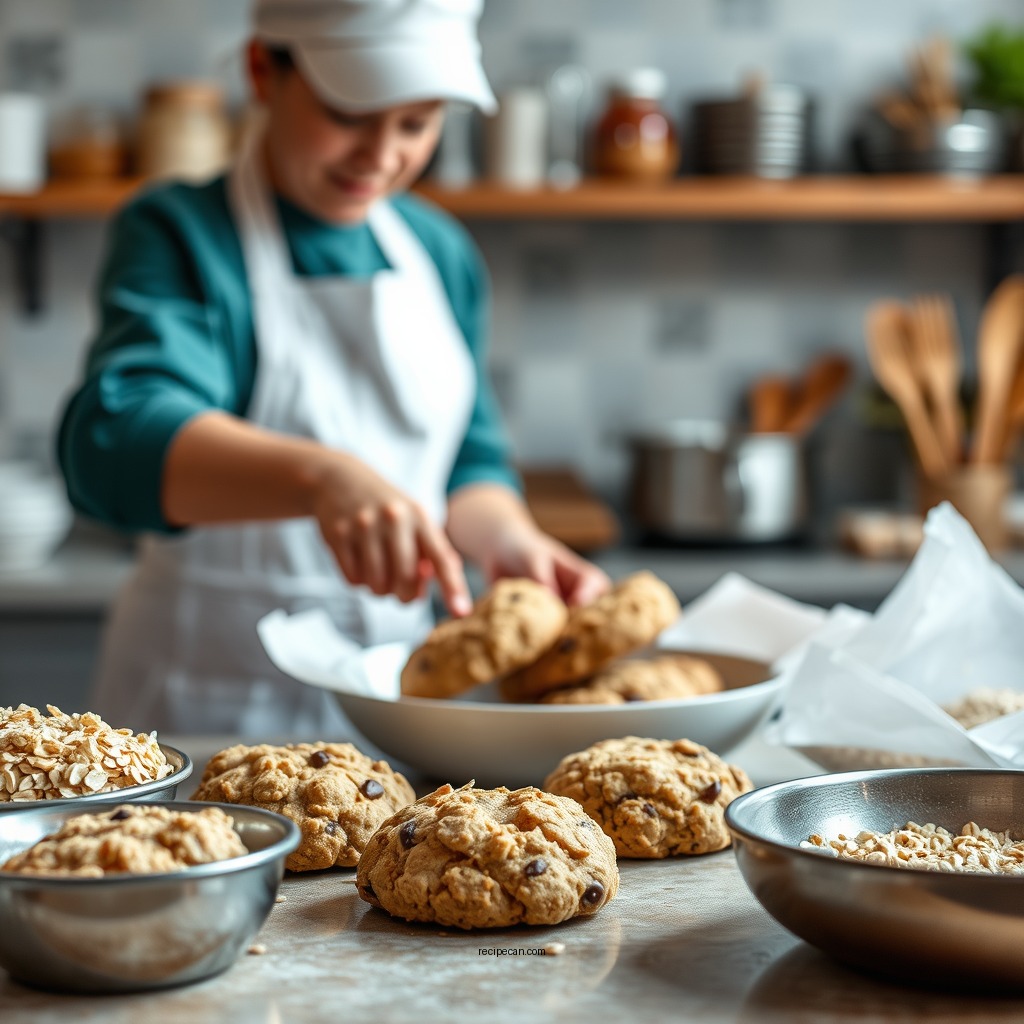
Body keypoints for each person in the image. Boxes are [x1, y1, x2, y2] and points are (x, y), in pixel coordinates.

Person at [57, 0, 609, 737]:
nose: (382, 155)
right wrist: (324, 478)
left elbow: (465, 458)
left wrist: (506, 535)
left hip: (395, 702)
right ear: (263, 69)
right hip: (205, 699)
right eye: (351, 114)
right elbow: (114, 444)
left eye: (416, 124)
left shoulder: (438, 250)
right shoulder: (180, 232)